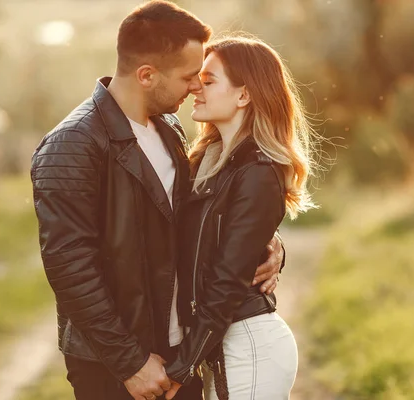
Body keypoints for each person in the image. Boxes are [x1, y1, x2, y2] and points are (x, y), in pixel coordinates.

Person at [30, 2, 285, 400]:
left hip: (178, 350)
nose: (195, 87)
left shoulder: (170, 129)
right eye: (188, 77)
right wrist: (129, 362)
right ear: (147, 75)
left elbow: (198, 220)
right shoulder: (72, 144)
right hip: (111, 365)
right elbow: (70, 267)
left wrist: (267, 245)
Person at [164, 36, 317, 400]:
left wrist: (181, 367)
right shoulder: (204, 163)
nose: (195, 88)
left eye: (209, 79)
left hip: (250, 348)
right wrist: (273, 247)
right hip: (220, 346)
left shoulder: (259, 171)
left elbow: (227, 281)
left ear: (244, 95)